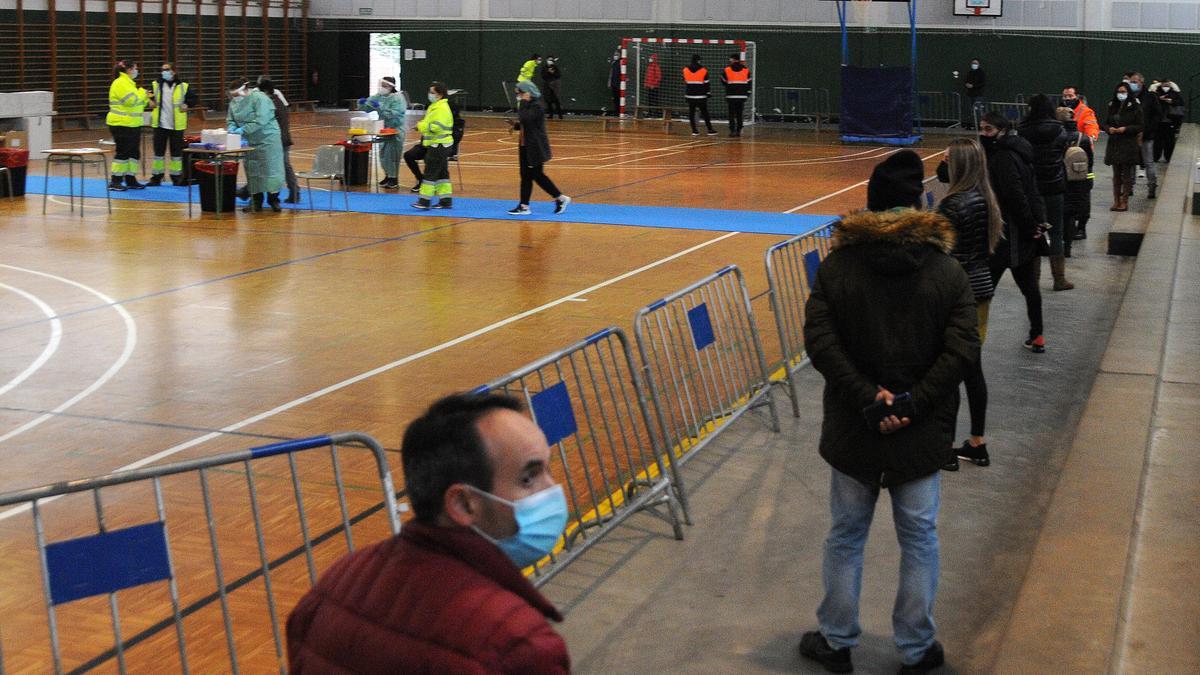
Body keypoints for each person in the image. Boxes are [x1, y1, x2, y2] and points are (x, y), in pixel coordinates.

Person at [798, 150, 979, 675]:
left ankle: (835, 641)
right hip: (920, 433)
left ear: (872, 204)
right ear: (918, 204)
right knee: (920, 537)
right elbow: (963, 346)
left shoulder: (837, 266)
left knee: (846, 534)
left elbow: (820, 340)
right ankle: (917, 649)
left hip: (856, 427)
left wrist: (865, 397)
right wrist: (912, 404)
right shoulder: (947, 272)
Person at [286, 392, 572, 673]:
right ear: (462, 503)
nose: (553, 489)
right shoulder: (515, 644)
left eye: (548, 469)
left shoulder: (332, 587)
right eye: (528, 478)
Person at [935, 139, 1002, 471]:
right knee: (973, 369)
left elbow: (942, 253)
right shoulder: (985, 199)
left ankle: (945, 448)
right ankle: (977, 442)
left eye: (946, 159)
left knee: (950, 372)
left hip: (957, 296)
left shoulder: (952, 204)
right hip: (981, 290)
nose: (941, 163)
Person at [980, 111, 1048, 353]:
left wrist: (1030, 226)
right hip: (1022, 235)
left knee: (983, 291)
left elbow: (1015, 195)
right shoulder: (1022, 151)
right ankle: (1037, 335)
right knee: (1030, 289)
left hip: (1008, 234)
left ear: (1002, 130)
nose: (983, 134)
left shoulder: (1002, 158)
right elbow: (1032, 190)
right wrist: (1037, 224)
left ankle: (972, 340)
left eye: (988, 129)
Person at [1018, 94, 1072, 291]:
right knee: (1057, 232)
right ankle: (1059, 279)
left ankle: (1034, 281)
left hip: (1032, 188)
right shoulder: (1059, 130)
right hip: (1055, 186)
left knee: (1035, 233)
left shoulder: (1023, 130)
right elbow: (1065, 148)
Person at [505, 81, 571, 216]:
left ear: (527, 92)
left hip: (535, 147)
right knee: (525, 176)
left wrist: (522, 104)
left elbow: (527, 119)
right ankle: (524, 206)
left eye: (520, 93)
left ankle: (561, 198)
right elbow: (525, 123)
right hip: (524, 146)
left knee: (537, 175)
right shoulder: (529, 105)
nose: (519, 96)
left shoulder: (537, 106)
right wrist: (516, 125)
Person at [226, 77, 285, 212]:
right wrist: (232, 127)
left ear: (244, 89)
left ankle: (273, 199)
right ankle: (256, 200)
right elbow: (231, 119)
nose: (235, 98)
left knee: (271, 170)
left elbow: (261, 120)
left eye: (236, 95)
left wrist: (243, 129)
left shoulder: (260, 99)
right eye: (232, 96)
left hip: (267, 139)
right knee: (253, 171)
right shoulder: (234, 103)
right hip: (249, 142)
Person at [148, 62, 197, 186]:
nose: (164, 72)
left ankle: (176, 176)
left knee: (176, 153)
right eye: (162, 70)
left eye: (167, 69)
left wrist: (187, 104)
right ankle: (156, 176)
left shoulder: (183, 86)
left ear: (173, 71)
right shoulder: (155, 85)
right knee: (158, 152)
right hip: (160, 125)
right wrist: (149, 101)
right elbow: (148, 97)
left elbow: (193, 99)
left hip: (176, 125)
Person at [106, 59, 149, 191]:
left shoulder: (129, 83)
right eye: (135, 68)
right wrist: (143, 93)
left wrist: (144, 98)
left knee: (134, 153)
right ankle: (115, 181)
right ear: (129, 70)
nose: (137, 71)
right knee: (123, 153)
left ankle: (131, 179)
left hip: (133, 123)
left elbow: (137, 104)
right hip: (121, 123)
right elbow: (131, 101)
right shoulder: (120, 83)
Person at [256, 76, 300, 203]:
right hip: (283, 138)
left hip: (278, 140)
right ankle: (294, 192)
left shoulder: (270, 103)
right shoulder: (278, 100)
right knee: (284, 166)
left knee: (274, 167)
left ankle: (292, 192)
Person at [358, 76, 406, 189]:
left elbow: (395, 114)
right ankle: (388, 175)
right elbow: (367, 107)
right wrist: (362, 103)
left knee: (393, 154)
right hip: (383, 130)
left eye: (385, 86)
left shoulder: (398, 98)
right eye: (381, 85)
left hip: (395, 130)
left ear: (391, 86)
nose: (382, 88)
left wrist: (381, 108)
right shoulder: (378, 97)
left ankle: (394, 178)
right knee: (383, 154)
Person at [412, 81, 454, 210]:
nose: (430, 94)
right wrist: (422, 125)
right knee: (442, 174)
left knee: (430, 173)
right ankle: (445, 200)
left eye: (432, 92)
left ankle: (424, 201)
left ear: (440, 94)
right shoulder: (435, 106)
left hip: (438, 146)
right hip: (441, 145)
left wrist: (420, 126)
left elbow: (436, 127)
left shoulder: (440, 109)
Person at [1057, 106, 1095, 248]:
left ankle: (1066, 237)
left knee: (1066, 207)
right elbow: (1089, 160)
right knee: (1083, 203)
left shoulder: (1058, 137)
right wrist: (1089, 178)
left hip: (1063, 177)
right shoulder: (1083, 137)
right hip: (1082, 176)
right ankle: (1081, 228)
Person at [1104, 81, 1143, 212]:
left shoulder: (1135, 107)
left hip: (1128, 143)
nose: (1121, 94)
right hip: (1114, 143)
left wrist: (1125, 129)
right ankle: (1116, 201)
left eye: (1123, 92)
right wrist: (1109, 129)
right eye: (1119, 92)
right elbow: (1105, 123)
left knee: (1126, 175)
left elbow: (1140, 126)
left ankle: (1124, 201)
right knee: (1116, 175)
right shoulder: (1112, 106)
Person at [1127, 72, 1159, 198]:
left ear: (1141, 82)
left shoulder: (1150, 96)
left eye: (1135, 82)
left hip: (1146, 135)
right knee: (1130, 161)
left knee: (1148, 161)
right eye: (1131, 82)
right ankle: (1129, 185)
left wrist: (1148, 131)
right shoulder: (1128, 96)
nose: (1133, 84)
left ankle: (1152, 185)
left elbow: (1157, 115)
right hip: (1131, 134)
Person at [683, 54, 717, 136]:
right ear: (699, 60)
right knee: (705, 112)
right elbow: (706, 83)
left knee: (691, 112)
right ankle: (710, 129)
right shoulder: (703, 70)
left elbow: (685, 81)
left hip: (690, 95)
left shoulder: (685, 69)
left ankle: (694, 130)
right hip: (701, 95)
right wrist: (708, 93)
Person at [722, 52, 751, 137]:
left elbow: (723, 80)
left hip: (731, 94)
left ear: (734, 59)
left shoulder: (727, 69)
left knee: (731, 113)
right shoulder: (746, 70)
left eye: (730, 59)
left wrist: (729, 86)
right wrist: (747, 92)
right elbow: (749, 82)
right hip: (742, 95)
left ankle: (732, 130)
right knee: (739, 113)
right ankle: (739, 129)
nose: (729, 60)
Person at [1153, 80, 1183, 162]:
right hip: (1158, 121)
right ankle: (1155, 156)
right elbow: (1150, 103)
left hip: (1170, 121)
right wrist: (1159, 99)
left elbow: (1180, 103)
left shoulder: (1175, 94)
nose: (1166, 86)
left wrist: (1172, 101)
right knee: (1157, 140)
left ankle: (1168, 157)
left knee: (1169, 141)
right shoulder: (1155, 93)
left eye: (1167, 84)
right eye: (1164, 84)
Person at [964, 58, 985, 127]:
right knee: (970, 110)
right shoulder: (970, 72)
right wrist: (967, 84)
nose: (974, 65)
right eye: (973, 63)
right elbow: (966, 81)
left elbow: (983, 83)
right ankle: (970, 124)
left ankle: (979, 125)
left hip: (978, 95)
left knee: (978, 110)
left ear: (979, 64)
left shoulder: (981, 73)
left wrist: (973, 86)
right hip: (970, 94)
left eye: (975, 63)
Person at [607, 49, 622, 116]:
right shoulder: (613, 63)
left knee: (619, 99)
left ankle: (619, 112)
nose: (615, 56)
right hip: (614, 83)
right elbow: (611, 73)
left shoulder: (621, 62)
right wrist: (609, 82)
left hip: (619, 84)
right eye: (615, 54)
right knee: (615, 98)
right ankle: (616, 111)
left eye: (617, 54)